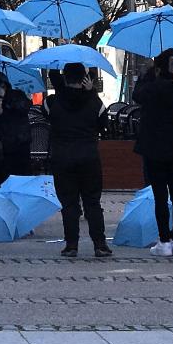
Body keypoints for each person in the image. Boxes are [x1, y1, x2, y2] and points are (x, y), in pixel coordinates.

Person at [44, 62, 112, 258]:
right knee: (92, 202)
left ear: (65, 78)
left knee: (69, 203)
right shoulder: (95, 103)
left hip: (62, 157)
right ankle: (100, 244)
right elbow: (103, 125)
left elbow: (47, 116)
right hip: (88, 157)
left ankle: (71, 245)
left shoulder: (52, 102)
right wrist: (91, 93)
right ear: (85, 79)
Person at [133, 48, 173, 257]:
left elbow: (136, 95)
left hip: (155, 150)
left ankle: (164, 240)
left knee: (160, 196)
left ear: (158, 69)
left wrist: (148, 74)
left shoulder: (151, 89)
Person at [0, 72, 32, 181]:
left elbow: (24, 107)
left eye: (2, 86)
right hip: (2, 148)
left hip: (20, 144)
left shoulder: (16, 95)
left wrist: (5, 104)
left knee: (21, 178)